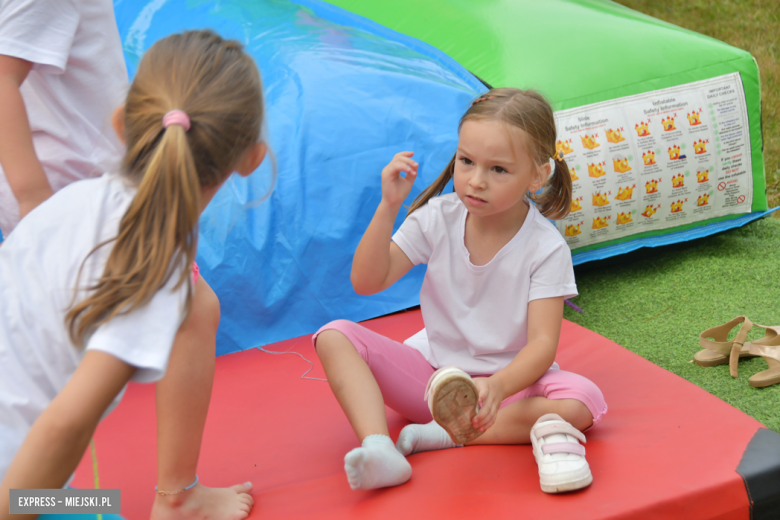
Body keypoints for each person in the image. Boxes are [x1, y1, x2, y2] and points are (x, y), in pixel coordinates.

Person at [0, 30, 267, 519]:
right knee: (103, 508)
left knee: (98, 501)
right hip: (11, 484)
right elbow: (64, 424)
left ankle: (179, 496)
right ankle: (175, 501)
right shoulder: (151, 266)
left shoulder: (76, 202)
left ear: (123, 125)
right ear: (252, 158)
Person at [314, 88, 607, 494]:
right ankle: (380, 448)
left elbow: (543, 345)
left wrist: (500, 386)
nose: (476, 181)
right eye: (466, 162)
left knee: (583, 401)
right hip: (434, 386)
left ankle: (442, 435)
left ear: (537, 176)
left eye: (498, 170)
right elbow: (367, 281)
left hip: (506, 391)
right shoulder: (438, 218)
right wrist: (388, 206)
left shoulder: (545, 247)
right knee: (334, 336)